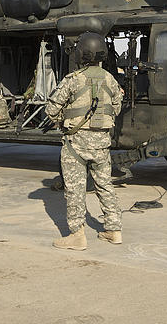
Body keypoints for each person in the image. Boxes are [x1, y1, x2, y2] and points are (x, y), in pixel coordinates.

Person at [46, 31, 124, 251]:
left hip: (76, 144)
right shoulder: (111, 79)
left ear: (81, 53)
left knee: (74, 189)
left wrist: (64, 120)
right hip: (102, 143)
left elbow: (51, 110)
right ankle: (114, 230)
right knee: (105, 185)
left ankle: (77, 236)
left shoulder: (72, 80)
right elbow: (116, 107)